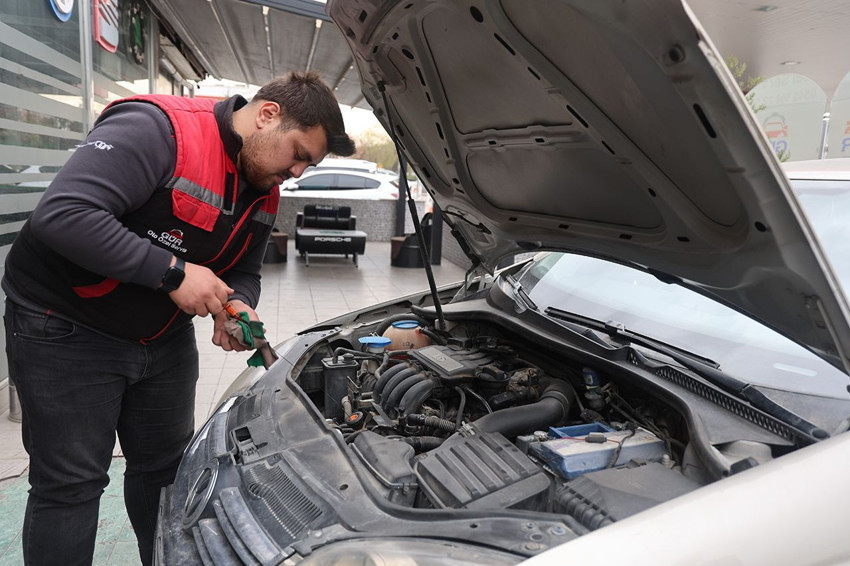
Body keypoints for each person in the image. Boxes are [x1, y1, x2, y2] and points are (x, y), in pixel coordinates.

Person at [1, 71, 355, 566]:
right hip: (65, 326)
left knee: (166, 475)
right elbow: (63, 213)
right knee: (71, 485)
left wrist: (238, 302)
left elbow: (244, 269)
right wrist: (173, 273)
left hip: (159, 340)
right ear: (267, 115)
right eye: (298, 153)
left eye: (307, 165)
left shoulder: (263, 188)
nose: (296, 172)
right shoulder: (158, 131)